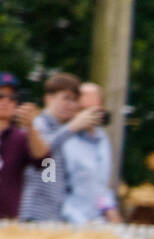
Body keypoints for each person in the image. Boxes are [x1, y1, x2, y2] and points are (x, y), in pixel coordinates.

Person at [19, 72, 99, 222]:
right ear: (49, 98)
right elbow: (42, 153)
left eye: (75, 100)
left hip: (54, 216)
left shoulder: (63, 131)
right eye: (66, 98)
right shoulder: (38, 125)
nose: (71, 105)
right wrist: (72, 127)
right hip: (34, 215)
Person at [60, 82, 120, 224]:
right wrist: (80, 222)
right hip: (69, 225)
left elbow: (100, 187)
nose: (87, 116)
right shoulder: (62, 139)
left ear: (102, 110)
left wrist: (111, 212)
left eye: (92, 110)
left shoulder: (103, 140)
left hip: (97, 225)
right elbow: (52, 188)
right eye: (82, 109)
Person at [0, 71, 53, 219]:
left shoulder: (20, 137)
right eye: (0, 96)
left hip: (7, 222)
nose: (6, 102)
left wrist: (31, 126)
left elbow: (46, 162)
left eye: (12, 98)